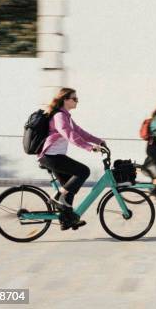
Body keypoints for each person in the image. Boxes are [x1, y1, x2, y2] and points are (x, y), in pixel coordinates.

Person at [38, 87, 105, 230]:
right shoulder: (59, 116)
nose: (77, 101)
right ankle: (57, 197)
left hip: (56, 156)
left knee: (70, 186)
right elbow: (68, 133)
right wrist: (89, 147)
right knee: (83, 171)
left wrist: (98, 141)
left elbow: (79, 132)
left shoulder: (65, 116)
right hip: (51, 156)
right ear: (65, 100)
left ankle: (67, 219)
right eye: (74, 99)